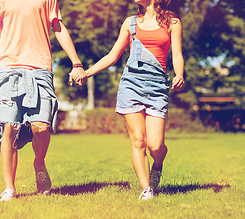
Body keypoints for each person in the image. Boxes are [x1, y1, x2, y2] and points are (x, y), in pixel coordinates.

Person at [71, 0, 184, 200]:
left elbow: (177, 54)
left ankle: (158, 164)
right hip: (131, 85)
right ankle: (147, 189)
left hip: (158, 86)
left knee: (155, 145)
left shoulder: (172, 23)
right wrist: (86, 73)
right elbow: (113, 56)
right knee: (138, 140)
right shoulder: (130, 23)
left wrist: (179, 74)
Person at [0, 0, 86, 201]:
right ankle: (9, 188)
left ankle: (39, 162)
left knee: (41, 128)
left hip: (40, 70)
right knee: (9, 127)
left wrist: (77, 63)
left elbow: (59, 28)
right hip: (8, 69)